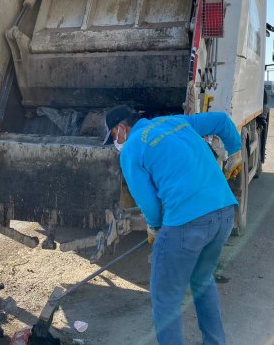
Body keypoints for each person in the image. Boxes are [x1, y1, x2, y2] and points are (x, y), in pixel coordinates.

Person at [103, 105, 243, 345]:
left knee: (165, 299)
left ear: (122, 129)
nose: (115, 141)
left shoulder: (131, 150)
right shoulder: (173, 122)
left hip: (187, 222)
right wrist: (235, 151)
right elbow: (221, 120)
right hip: (224, 212)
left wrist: (155, 227)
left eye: (114, 136)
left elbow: (147, 202)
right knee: (202, 279)